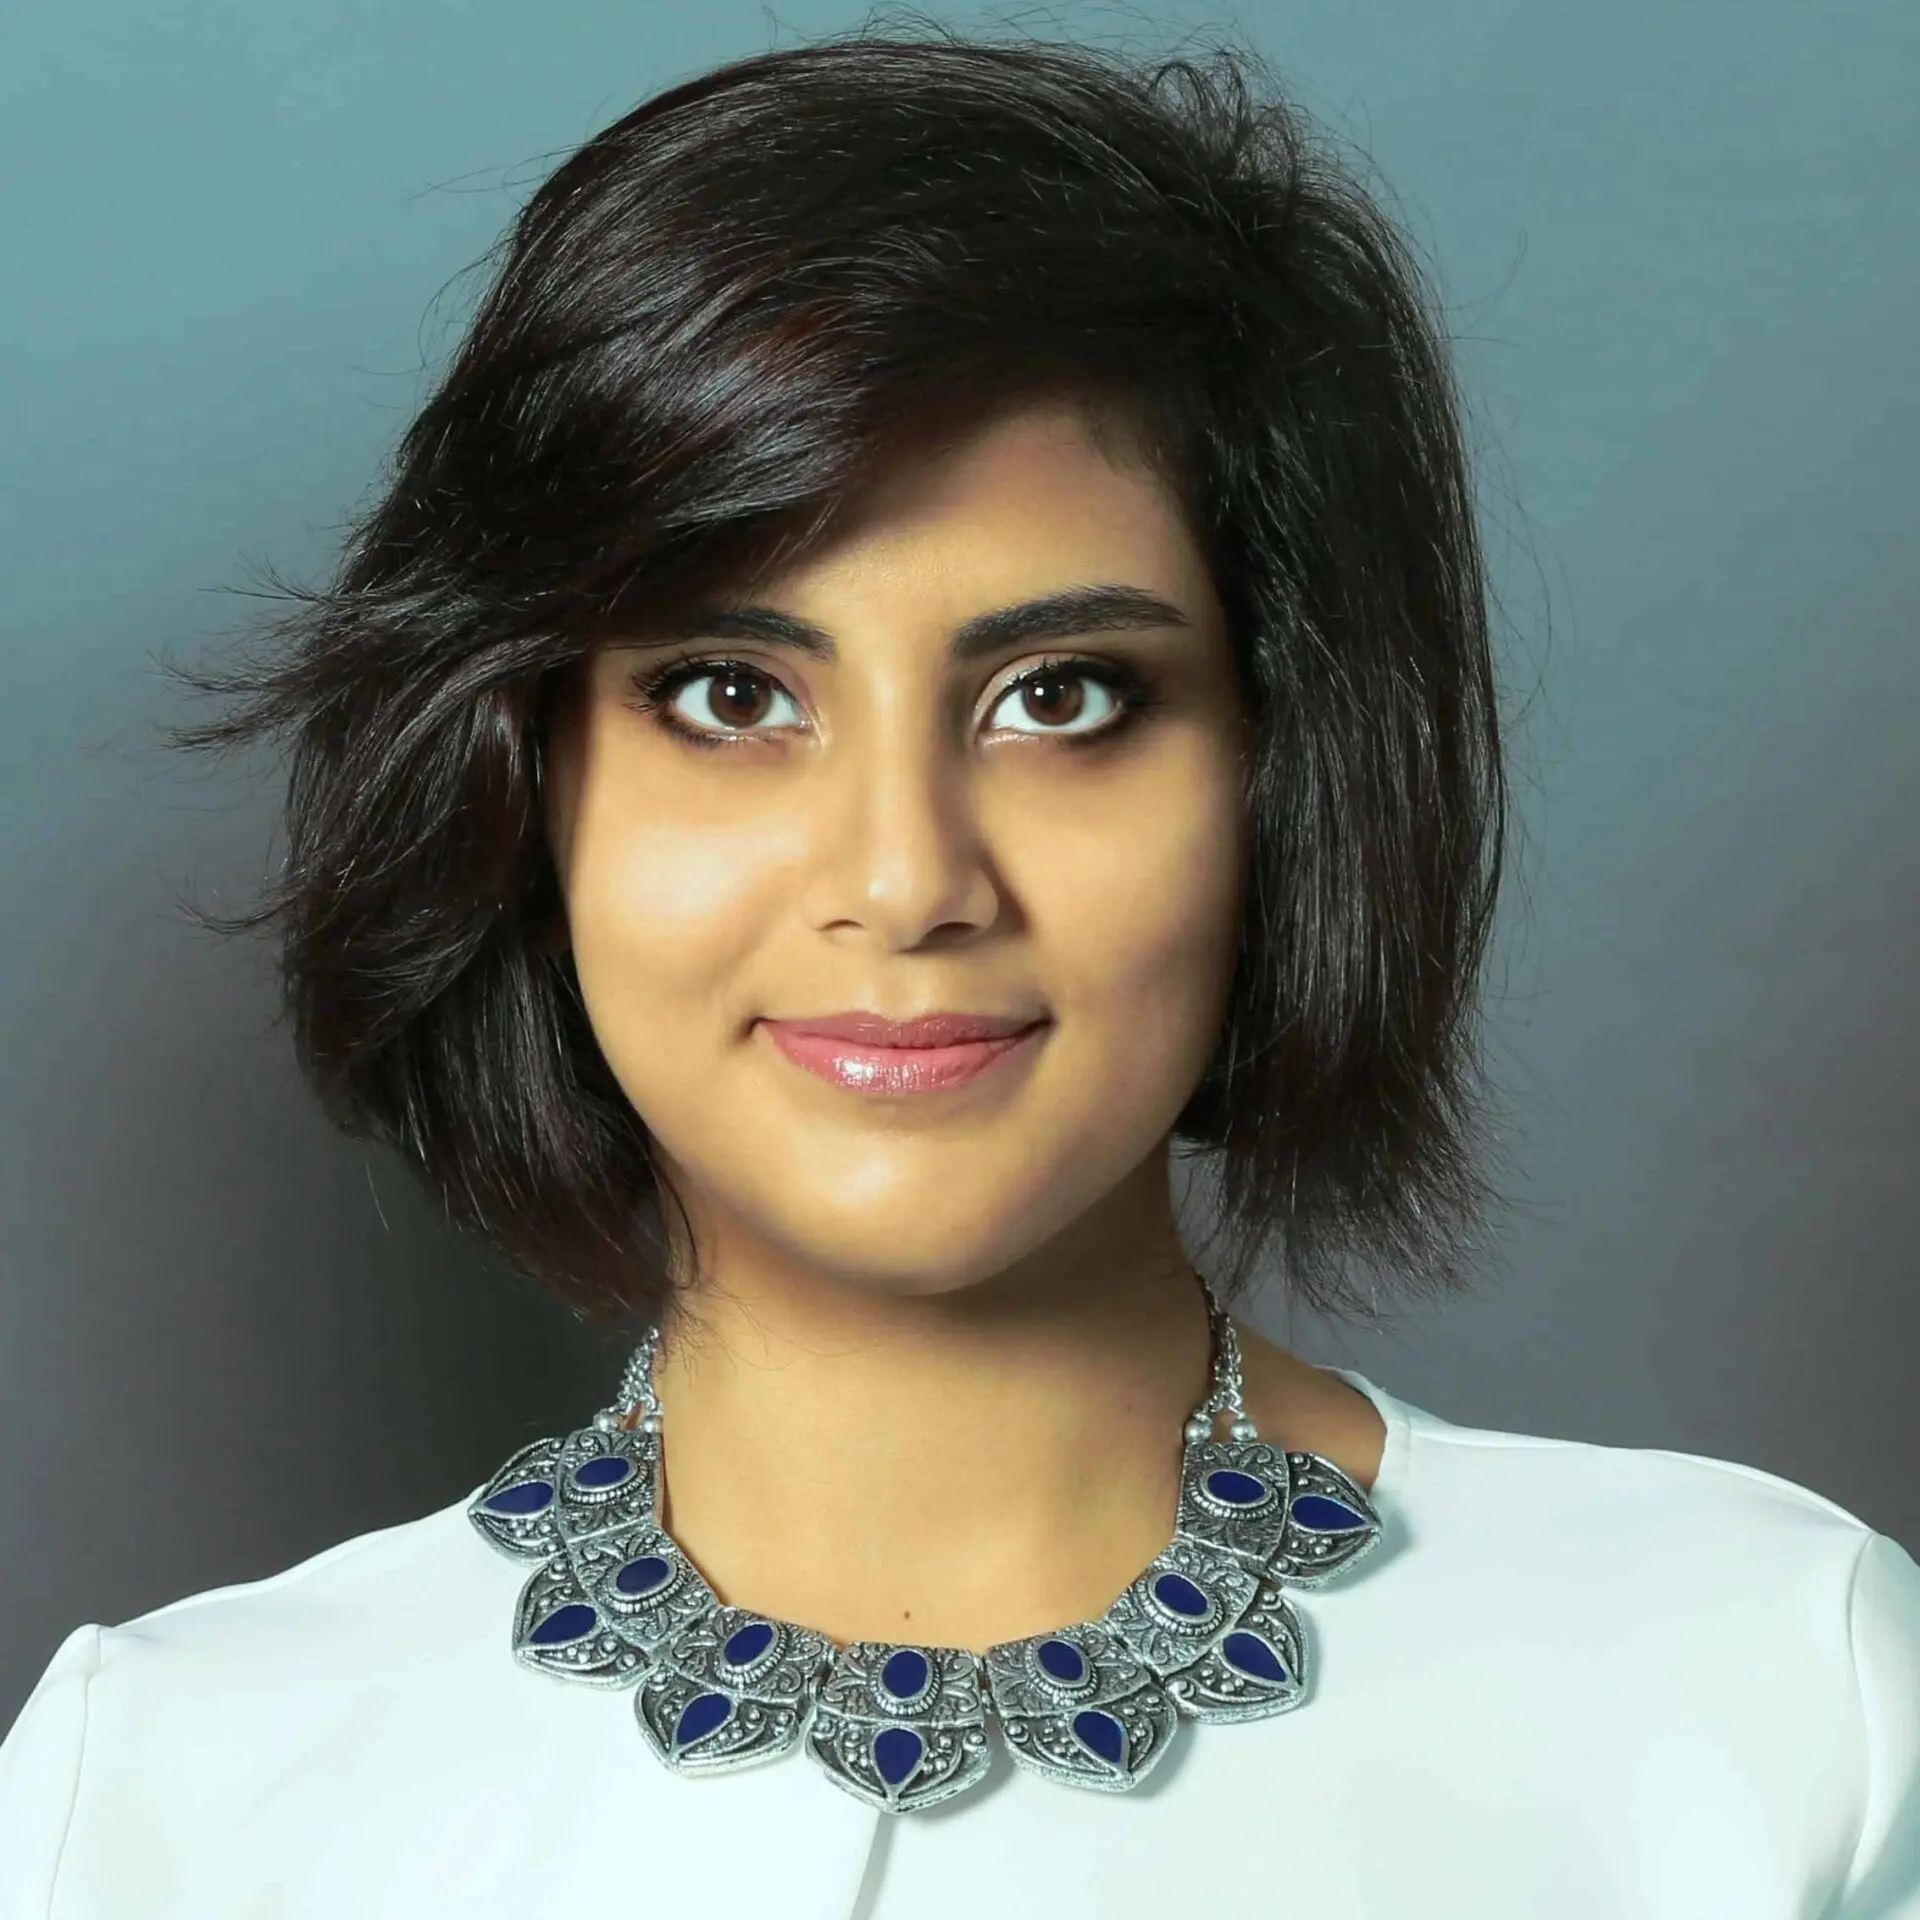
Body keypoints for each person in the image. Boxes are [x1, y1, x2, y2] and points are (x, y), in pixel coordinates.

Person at [2, 26, 1915, 1917]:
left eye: (1060, 698)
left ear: (1281, 777)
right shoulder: (162, 1795)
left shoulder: (1776, 1705)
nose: (906, 879)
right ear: (526, 785)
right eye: (731, 695)